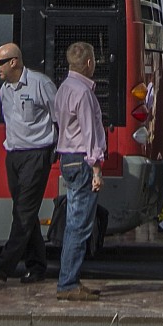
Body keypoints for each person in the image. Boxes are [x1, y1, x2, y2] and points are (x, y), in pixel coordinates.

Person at [0, 41, 57, 283]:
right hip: (14, 154)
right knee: (24, 211)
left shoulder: (40, 84)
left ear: (14, 61)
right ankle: (36, 266)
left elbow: (60, 117)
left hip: (37, 154)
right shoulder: (4, 89)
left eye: (0, 62)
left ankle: (4, 264)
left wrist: (55, 149)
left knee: (24, 212)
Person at [53, 41, 106, 300]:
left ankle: (69, 280)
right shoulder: (84, 92)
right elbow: (90, 133)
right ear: (88, 63)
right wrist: (96, 168)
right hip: (82, 160)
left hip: (67, 157)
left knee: (75, 222)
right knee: (79, 225)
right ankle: (68, 283)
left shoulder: (64, 88)